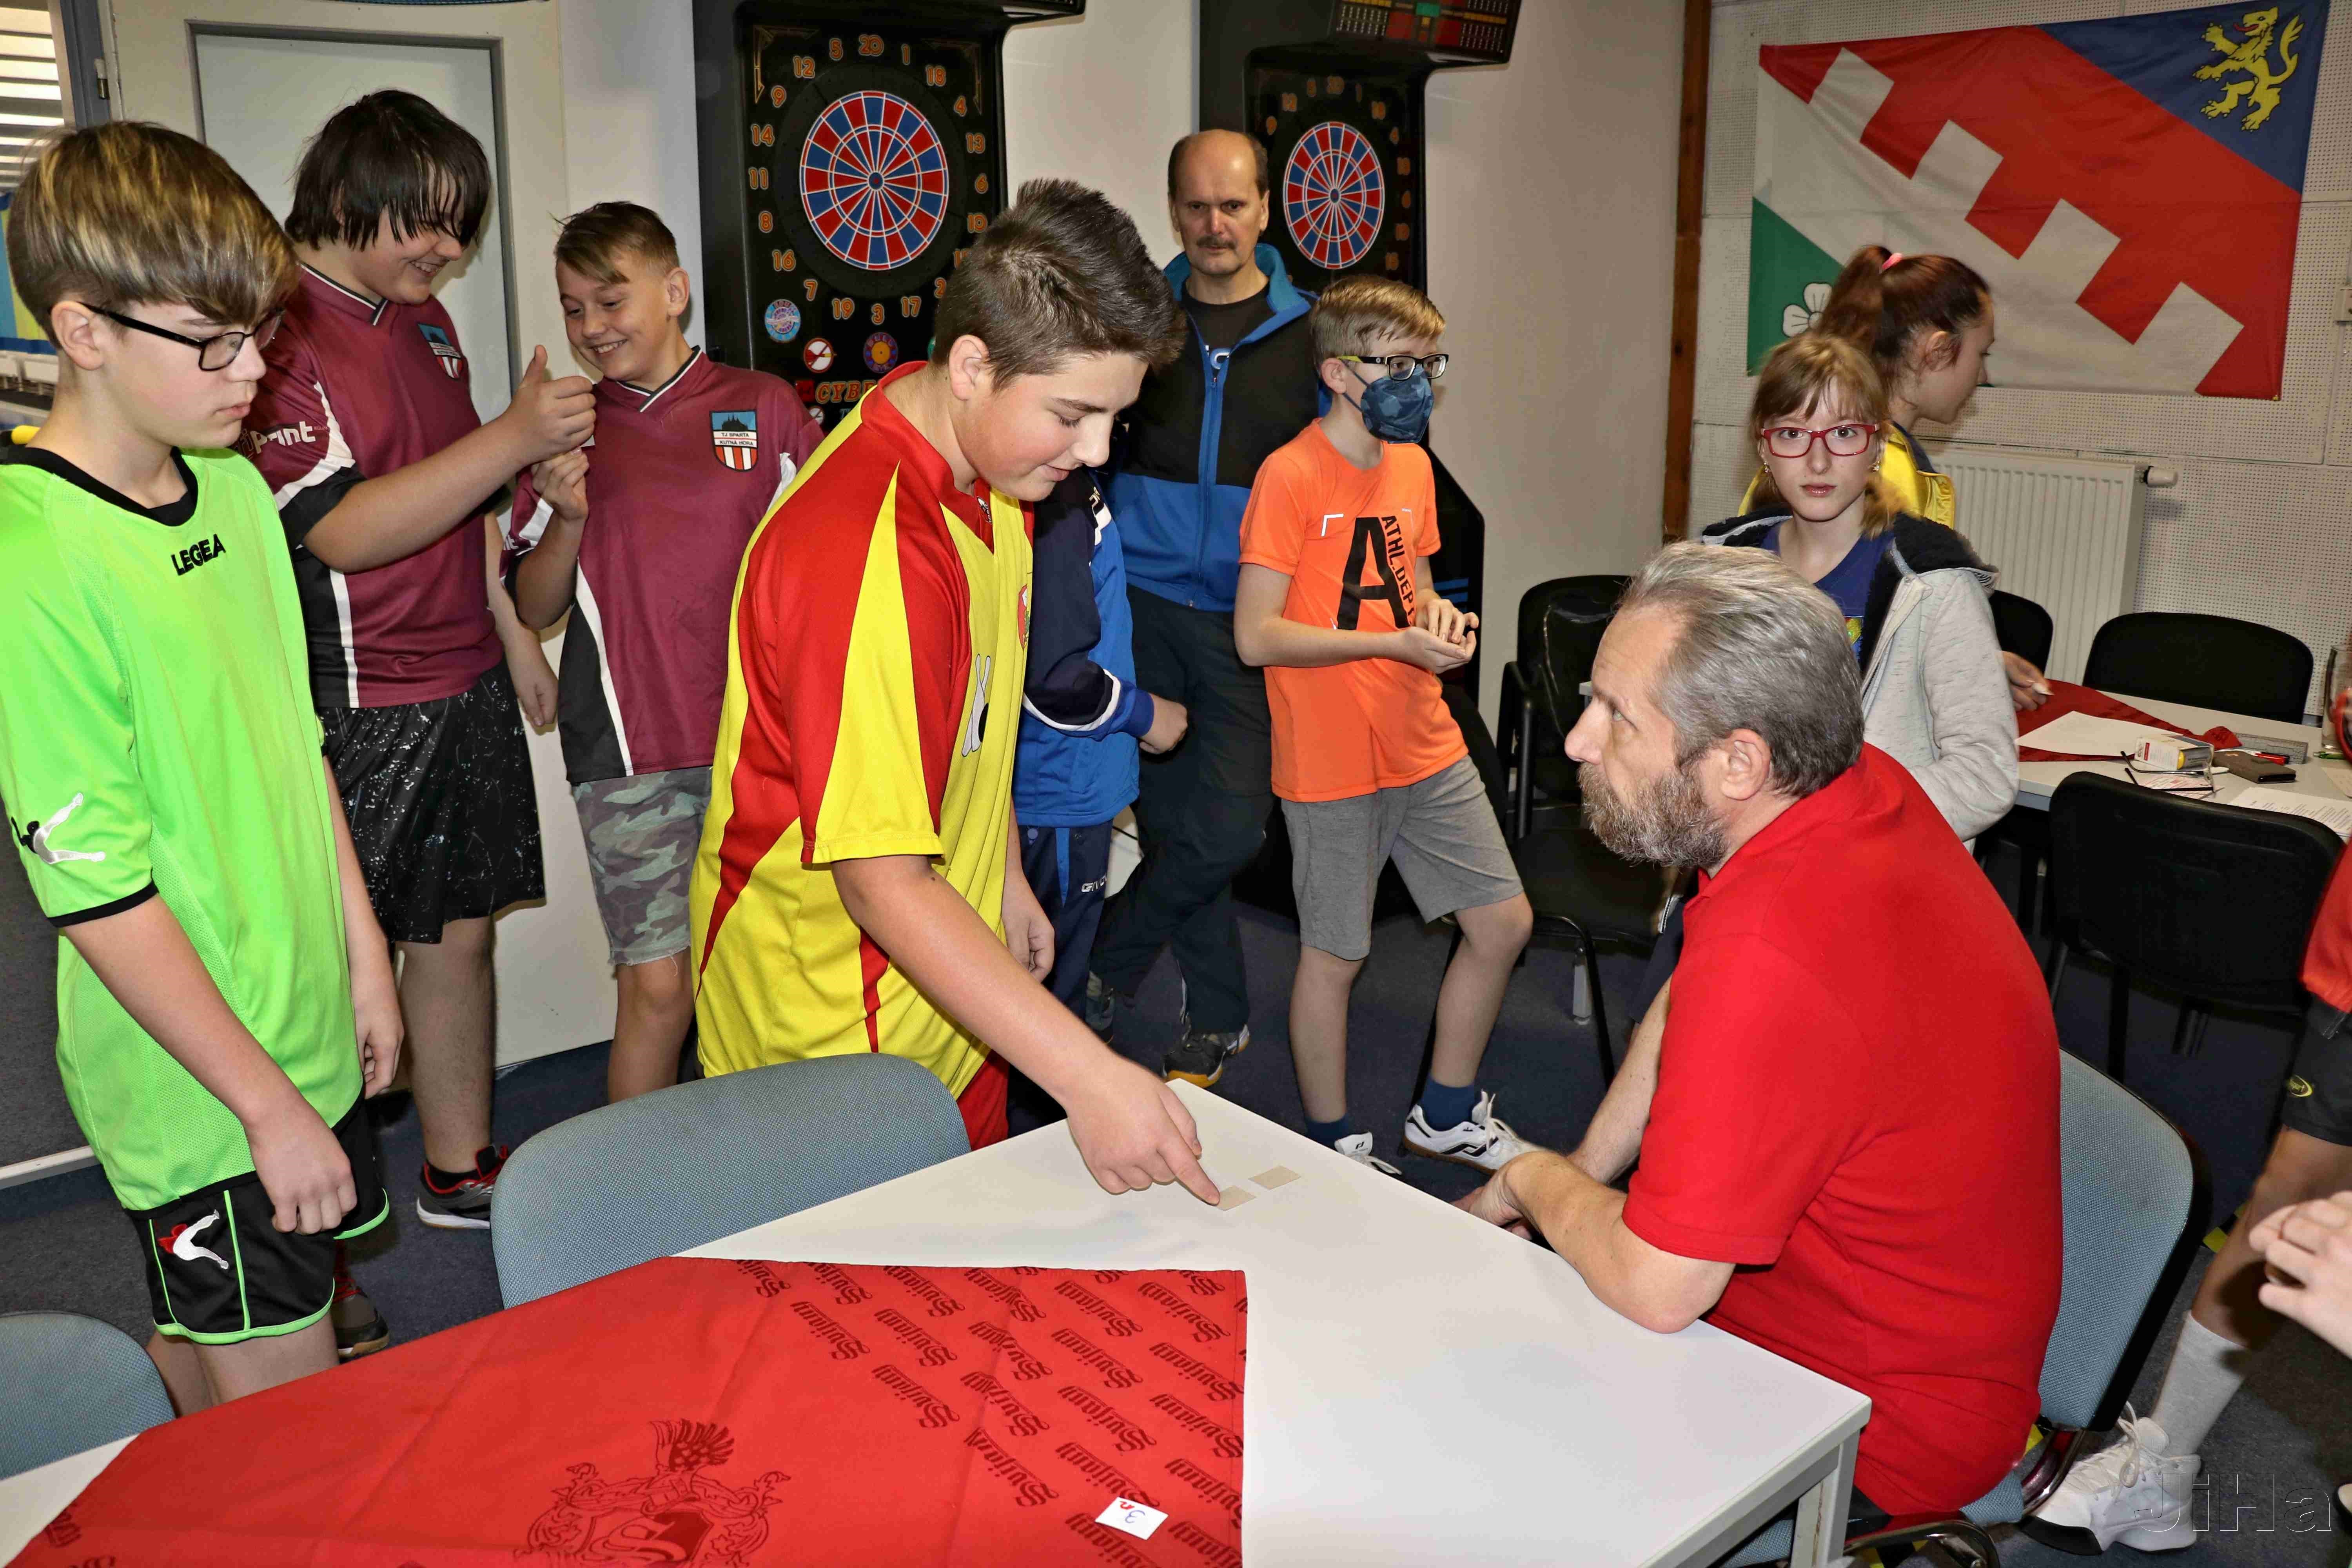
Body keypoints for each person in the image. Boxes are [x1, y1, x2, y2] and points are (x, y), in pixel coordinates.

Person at [1455, 544, 2062, 1518]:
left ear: (1739, 761)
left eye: (1615, 713)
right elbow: (1689, 985)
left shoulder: (1775, 957)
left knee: (1458, 1440)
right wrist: (1588, 1169)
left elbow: (1658, 1289)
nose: (1576, 741)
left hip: (1867, 1427)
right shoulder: (1849, 787)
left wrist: (1531, 1177)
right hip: (1902, 1337)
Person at [688, 179, 1217, 1203]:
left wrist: (1005, 875)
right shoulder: (865, 551)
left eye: (1114, 419)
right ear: (973, 366)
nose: (1095, 453)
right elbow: (881, 882)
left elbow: (976, 720)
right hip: (834, 1038)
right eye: (1073, 414)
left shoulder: (998, 479)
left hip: (953, 993)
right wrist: (1087, 1073)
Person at [0, 123, 403, 1409]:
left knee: (235, 1356)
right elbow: (98, 894)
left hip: (303, 1019)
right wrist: (266, 1108)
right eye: (213, 344)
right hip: (201, 1092)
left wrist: (363, 954)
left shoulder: (229, 489)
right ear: (84, 331)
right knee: (298, 1430)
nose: (256, 371)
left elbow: (295, 740)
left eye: (261, 335)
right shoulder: (33, 562)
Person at [247, 91, 589, 1232]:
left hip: (465, 678)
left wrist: (511, 631)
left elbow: (467, 502)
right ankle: (322, 1224)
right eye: (426, 223)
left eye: (460, 227)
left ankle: (457, 1167)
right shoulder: (279, 328)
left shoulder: (427, 321)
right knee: (332, 971)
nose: (447, 249)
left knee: (458, 935)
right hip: (356, 702)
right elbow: (341, 531)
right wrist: (516, 435)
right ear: (353, 196)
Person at [505, 201, 820, 1103]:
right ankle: (634, 1186)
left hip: (761, 745)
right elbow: (534, 604)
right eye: (574, 308)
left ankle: (778, 1161)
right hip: (626, 752)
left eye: (611, 302)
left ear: (674, 292)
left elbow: (823, 564)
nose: (592, 328)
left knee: (768, 977)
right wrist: (568, 515)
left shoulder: (763, 406)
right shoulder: (562, 428)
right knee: (656, 989)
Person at [1232, 277, 1533, 1167]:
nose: (1418, 383)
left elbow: (1418, 585)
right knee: (1337, 956)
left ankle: (1445, 1111)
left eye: (1428, 365)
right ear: (1337, 371)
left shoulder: (1412, 465)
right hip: (1331, 757)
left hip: (1423, 736)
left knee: (1504, 923)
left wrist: (1435, 621)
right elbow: (1255, 635)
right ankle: (1332, 1142)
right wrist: (1387, 642)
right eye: (1397, 365)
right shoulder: (1290, 475)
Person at [1090, 129, 1323, 1088]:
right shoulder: (1138, 323)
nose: (1215, 224)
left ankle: (1102, 962)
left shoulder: (1315, 337)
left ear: (1265, 208)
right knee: (1173, 827)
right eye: (1197, 206)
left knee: (1226, 831)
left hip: (1251, 619)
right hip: (1140, 606)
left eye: (1233, 205)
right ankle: (1218, 1017)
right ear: (1174, 210)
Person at [1701, 333, 2015, 843]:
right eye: (1792, 434)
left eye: (1844, 433)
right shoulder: (1720, 569)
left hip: (1873, 859)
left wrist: (1844, 817)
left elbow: (1984, 774)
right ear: (1764, 446)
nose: (1818, 461)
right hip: (1741, 855)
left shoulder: (1933, 583)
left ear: (1877, 445)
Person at [1746, 245, 2049, 711]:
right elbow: (1857, 634)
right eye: (1981, 353)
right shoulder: (1874, 468)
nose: (1982, 375)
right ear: (1938, 350)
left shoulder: (1846, 455)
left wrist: (1971, 659)